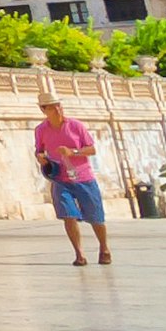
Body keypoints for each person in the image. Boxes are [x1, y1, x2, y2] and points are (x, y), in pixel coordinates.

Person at [34, 94, 113, 267]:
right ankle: (79, 254)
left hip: (83, 177)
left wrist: (73, 152)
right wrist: (41, 158)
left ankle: (104, 247)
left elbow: (92, 149)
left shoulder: (75, 126)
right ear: (43, 110)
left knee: (95, 217)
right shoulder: (41, 130)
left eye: (58, 105)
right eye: (51, 106)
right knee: (68, 215)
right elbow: (39, 150)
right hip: (60, 178)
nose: (56, 109)